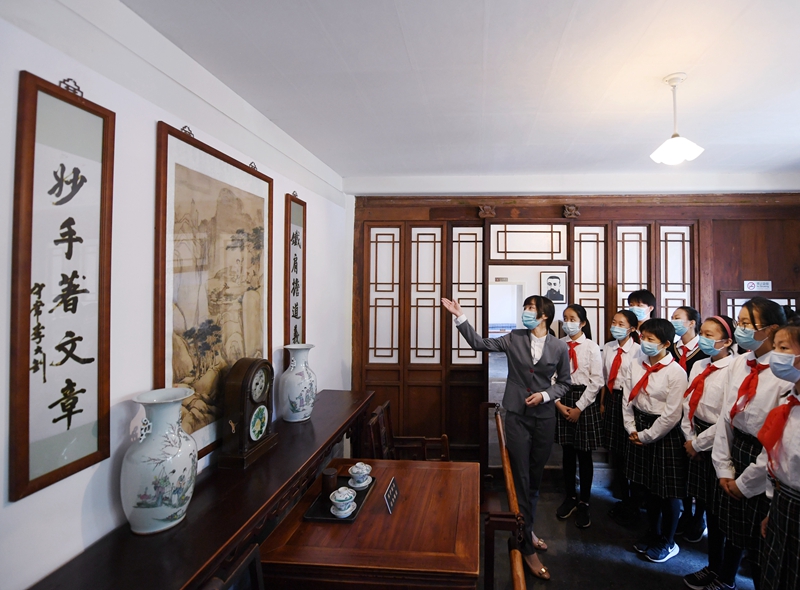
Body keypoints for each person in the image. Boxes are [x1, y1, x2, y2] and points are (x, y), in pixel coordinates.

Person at [441, 295, 570, 581]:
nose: (526, 312)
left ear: (545, 315)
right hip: (517, 417)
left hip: (545, 418)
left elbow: (564, 383)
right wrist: (460, 316)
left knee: (534, 479)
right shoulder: (513, 338)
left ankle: (528, 528)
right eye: (525, 308)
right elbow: (479, 343)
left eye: (531, 309)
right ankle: (525, 546)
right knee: (520, 478)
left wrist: (545, 395)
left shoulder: (559, 346)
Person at [710, 297, 792, 590]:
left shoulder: (785, 373)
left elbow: (778, 439)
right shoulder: (740, 363)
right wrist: (723, 467)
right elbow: (725, 415)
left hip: (763, 463)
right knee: (733, 531)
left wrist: (744, 484)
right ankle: (724, 577)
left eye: (747, 324)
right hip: (736, 450)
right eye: (739, 322)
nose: (740, 329)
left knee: (760, 550)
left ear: (771, 329)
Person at [623, 318, 689, 563]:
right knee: (646, 486)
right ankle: (653, 531)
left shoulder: (676, 372)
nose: (645, 342)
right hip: (638, 425)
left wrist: (647, 436)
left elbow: (672, 413)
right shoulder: (636, 363)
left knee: (667, 491)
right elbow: (627, 398)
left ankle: (668, 541)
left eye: (651, 339)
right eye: (643, 337)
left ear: (666, 344)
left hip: (663, 432)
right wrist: (631, 428)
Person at [680, 315, 737, 590]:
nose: (702, 338)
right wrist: (690, 439)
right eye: (701, 332)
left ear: (726, 341)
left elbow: (728, 416)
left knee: (727, 515)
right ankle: (713, 566)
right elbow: (687, 403)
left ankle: (727, 576)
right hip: (696, 437)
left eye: (709, 334)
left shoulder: (734, 369)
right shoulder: (699, 364)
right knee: (710, 511)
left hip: (721, 441)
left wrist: (699, 443)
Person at [758, 321, 800, 590]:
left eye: (783, 348)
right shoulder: (788, 401)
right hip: (783, 500)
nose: (775, 355)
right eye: (774, 348)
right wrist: (773, 508)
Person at [554, 304, 603, 528]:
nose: (568, 322)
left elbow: (597, 381)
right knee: (567, 452)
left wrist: (579, 408)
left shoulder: (592, 347)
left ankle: (585, 502)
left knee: (584, 454)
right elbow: (551, 376)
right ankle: (570, 497)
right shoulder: (558, 345)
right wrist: (558, 404)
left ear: (582, 323)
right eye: (565, 318)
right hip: (563, 397)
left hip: (585, 401)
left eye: (572, 319)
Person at [670, 305, 710, 540]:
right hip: (675, 413)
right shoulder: (672, 349)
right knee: (681, 468)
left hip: (697, 413)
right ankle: (685, 512)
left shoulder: (704, 352)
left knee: (699, 470)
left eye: (678, 318)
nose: (674, 321)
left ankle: (699, 517)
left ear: (692, 322)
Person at [601, 309, 642, 526]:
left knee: (630, 453)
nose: (615, 326)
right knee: (616, 451)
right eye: (613, 322)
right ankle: (623, 498)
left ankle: (635, 504)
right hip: (611, 399)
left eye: (621, 324)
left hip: (630, 402)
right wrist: (602, 403)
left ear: (632, 329)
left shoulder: (639, 350)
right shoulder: (608, 347)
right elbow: (604, 377)